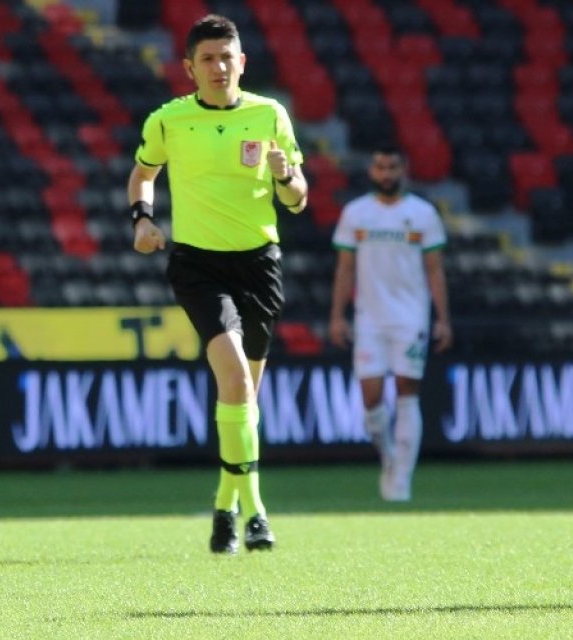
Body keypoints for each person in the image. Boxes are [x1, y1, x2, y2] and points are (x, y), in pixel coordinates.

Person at [127, 14, 307, 554]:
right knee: (235, 381)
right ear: (189, 68)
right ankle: (256, 512)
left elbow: (298, 199)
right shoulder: (169, 121)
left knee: (244, 397)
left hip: (259, 265)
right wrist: (142, 218)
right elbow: (143, 173)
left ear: (242, 62)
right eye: (207, 58)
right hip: (199, 266)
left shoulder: (269, 114)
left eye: (227, 57)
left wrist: (284, 175)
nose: (218, 67)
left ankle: (224, 506)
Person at [329, 146, 452, 502]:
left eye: (392, 167)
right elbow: (345, 269)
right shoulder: (356, 213)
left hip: (411, 317)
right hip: (369, 317)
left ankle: (402, 480)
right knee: (371, 399)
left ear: (403, 170)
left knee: (406, 392)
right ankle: (389, 457)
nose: (386, 174)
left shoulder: (423, 214)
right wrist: (337, 316)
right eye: (380, 167)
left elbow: (435, 270)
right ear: (371, 171)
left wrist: (443, 318)